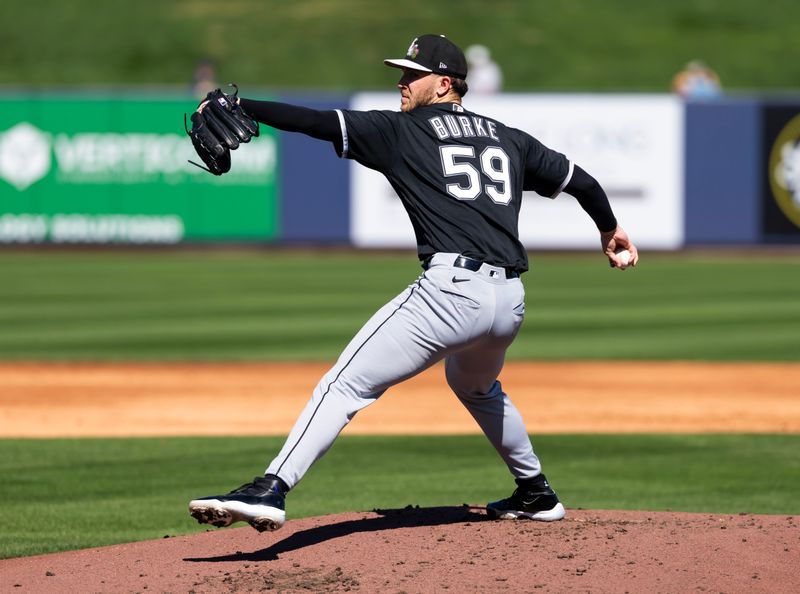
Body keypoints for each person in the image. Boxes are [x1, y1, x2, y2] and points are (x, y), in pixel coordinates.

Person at [188, 34, 639, 532]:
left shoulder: (403, 132)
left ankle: (271, 488)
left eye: (412, 74)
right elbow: (584, 183)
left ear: (444, 83)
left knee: (345, 383)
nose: (401, 82)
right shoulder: (508, 137)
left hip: (451, 294)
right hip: (508, 301)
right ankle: (536, 493)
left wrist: (241, 104)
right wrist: (609, 229)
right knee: (475, 385)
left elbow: (317, 122)